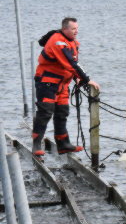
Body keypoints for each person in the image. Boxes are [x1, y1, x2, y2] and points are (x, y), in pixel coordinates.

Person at [31, 17, 100, 156]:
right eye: (73, 29)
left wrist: (78, 80)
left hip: (62, 84)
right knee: (45, 112)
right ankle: (36, 145)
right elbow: (71, 63)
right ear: (65, 29)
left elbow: (73, 65)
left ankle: (63, 144)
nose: (76, 31)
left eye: (77, 28)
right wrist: (87, 80)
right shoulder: (57, 42)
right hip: (47, 83)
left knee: (62, 112)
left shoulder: (72, 43)